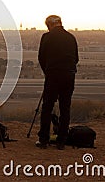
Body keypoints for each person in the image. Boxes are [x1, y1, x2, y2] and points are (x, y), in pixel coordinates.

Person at [36, 15, 78, 150]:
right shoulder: (71, 37)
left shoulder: (47, 37)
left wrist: (47, 72)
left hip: (53, 75)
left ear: (49, 25)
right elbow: (76, 58)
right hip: (69, 75)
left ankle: (43, 140)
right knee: (65, 108)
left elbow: (41, 57)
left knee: (47, 107)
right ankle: (61, 142)